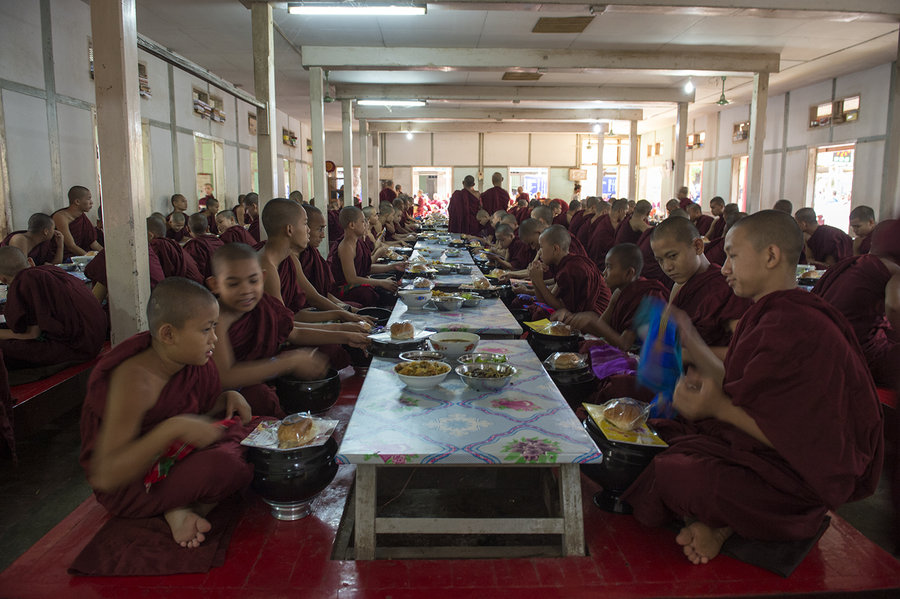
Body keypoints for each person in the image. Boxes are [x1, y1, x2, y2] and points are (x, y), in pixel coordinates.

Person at [623, 211, 883, 565]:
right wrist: (691, 340)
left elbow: (803, 438)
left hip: (796, 475)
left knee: (678, 475)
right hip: (758, 453)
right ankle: (720, 524)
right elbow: (737, 381)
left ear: (771, 256)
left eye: (731, 255)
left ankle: (734, 522)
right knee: (655, 443)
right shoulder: (766, 314)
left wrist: (718, 409)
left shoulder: (799, 324)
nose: (724, 268)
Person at [79, 278, 259, 548]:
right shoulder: (135, 381)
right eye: (206, 330)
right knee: (227, 467)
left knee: (260, 419)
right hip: (134, 483)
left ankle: (181, 506)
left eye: (214, 327)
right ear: (168, 334)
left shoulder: (185, 359)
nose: (215, 338)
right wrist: (172, 429)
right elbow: (106, 475)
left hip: (173, 455)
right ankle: (180, 509)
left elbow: (192, 408)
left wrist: (225, 399)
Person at [209, 243, 330, 417]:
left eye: (253, 280)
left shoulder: (263, 305)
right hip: (228, 395)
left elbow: (294, 332)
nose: (246, 290)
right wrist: (288, 362)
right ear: (215, 284)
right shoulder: (216, 319)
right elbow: (225, 377)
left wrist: (346, 333)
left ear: (263, 278)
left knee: (323, 353)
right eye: (233, 284)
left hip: (264, 374)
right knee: (261, 396)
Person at [812, 219, 900, 389]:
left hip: (826, 343)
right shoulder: (894, 269)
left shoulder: (858, 263)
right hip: (857, 352)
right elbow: (894, 306)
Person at [650, 216, 751, 355]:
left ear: (698, 246)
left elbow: (744, 352)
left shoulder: (726, 287)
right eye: (660, 260)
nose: (667, 267)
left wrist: (688, 354)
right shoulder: (679, 286)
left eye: (673, 256)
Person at [0, 246, 107, 369]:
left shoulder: (25, 281)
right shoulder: (52, 270)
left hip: (76, 348)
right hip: (95, 339)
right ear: (30, 261)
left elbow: (31, 334)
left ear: (2, 279)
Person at [553, 243, 668, 351]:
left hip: (647, 359)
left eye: (609, 267)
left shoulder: (646, 295)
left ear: (629, 273)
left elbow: (625, 345)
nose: (604, 273)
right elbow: (601, 327)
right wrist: (573, 318)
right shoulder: (619, 292)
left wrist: (592, 319)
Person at [301, 205, 377, 319]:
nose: (323, 235)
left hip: (322, 304)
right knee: (367, 294)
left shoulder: (312, 254)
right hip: (308, 313)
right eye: (319, 229)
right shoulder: (290, 260)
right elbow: (314, 298)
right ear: (290, 229)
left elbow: (324, 294)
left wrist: (350, 310)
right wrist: (346, 313)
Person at [525, 225, 610, 316]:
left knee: (541, 315)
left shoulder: (572, 268)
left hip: (598, 316)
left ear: (555, 249)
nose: (539, 252)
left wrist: (539, 282)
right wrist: (535, 279)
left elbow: (563, 308)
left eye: (541, 247)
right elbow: (545, 302)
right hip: (586, 314)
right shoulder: (564, 265)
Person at [329, 207, 404, 307]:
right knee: (371, 293)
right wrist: (380, 283)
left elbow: (366, 268)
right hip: (346, 289)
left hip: (359, 284)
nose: (366, 224)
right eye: (363, 221)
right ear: (352, 225)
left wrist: (393, 266)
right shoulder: (346, 246)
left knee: (391, 284)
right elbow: (352, 279)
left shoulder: (358, 242)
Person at [147, 215, 204, 283]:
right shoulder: (169, 243)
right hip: (194, 282)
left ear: (150, 235)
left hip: (188, 286)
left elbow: (159, 275)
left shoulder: (157, 244)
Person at [52, 185, 103, 258]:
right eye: (89, 199)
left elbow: (93, 243)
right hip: (65, 258)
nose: (91, 202)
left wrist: (106, 256)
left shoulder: (82, 217)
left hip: (81, 256)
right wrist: (90, 258)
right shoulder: (60, 217)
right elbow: (71, 246)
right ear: (77, 201)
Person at [586, 198, 628, 271]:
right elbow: (616, 247)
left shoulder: (606, 219)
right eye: (625, 212)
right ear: (620, 211)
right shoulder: (603, 228)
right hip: (601, 265)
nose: (625, 215)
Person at [183, 213, 224, 280]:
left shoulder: (192, 246)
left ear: (187, 229)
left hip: (205, 285)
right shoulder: (218, 241)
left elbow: (191, 272)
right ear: (208, 228)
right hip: (223, 281)